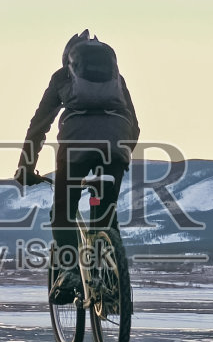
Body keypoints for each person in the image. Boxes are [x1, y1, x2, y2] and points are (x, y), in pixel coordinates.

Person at [15, 30, 140, 303]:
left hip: (75, 150)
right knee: (105, 214)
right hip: (115, 146)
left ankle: (70, 271)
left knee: (63, 211)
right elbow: (135, 125)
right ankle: (113, 290)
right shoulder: (117, 81)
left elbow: (39, 125)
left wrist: (26, 166)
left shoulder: (61, 78)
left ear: (69, 60)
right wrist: (121, 155)